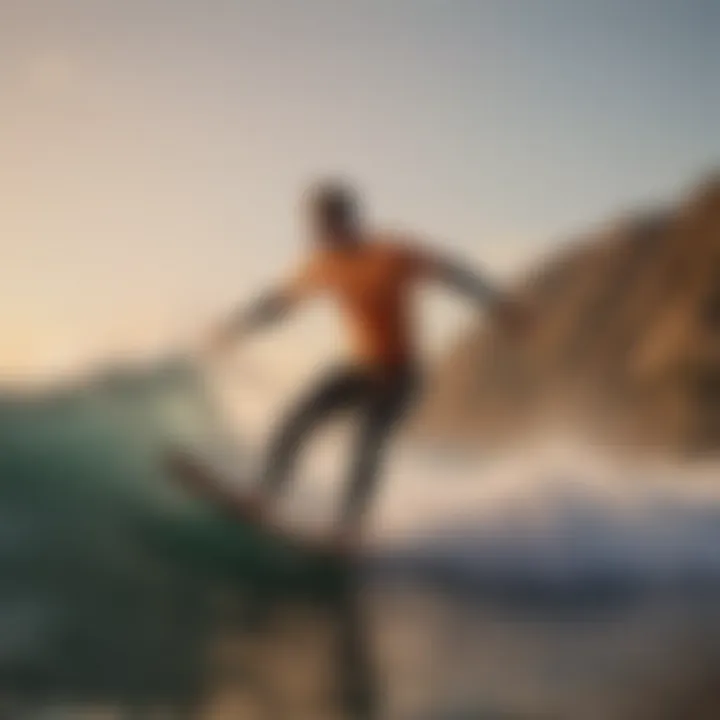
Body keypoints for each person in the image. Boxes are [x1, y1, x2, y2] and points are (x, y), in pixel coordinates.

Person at [207, 180, 528, 552]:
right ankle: (263, 496)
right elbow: (278, 304)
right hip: (357, 367)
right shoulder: (322, 265)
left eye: (322, 222)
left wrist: (499, 306)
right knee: (299, 416)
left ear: (344, 219)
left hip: (400, 373)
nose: (315, 232)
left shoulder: (391, 253)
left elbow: (454, 273)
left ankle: (349, 530)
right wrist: (234, 329)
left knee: (366, 441)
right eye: (312, 224)